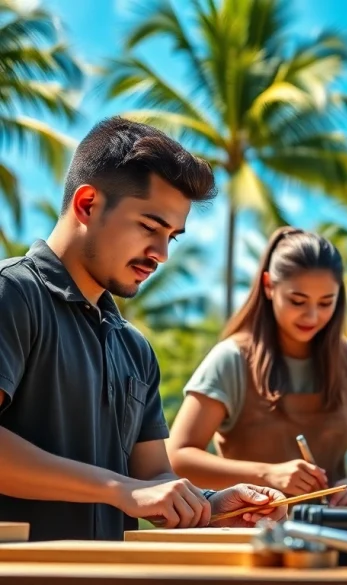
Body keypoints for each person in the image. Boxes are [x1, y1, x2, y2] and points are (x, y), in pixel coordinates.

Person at [0, 117, 287, 542]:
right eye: (150, 227)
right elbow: (132, 490)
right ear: (87, 205)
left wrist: (208, 505)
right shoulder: (12, 294)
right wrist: (123, 491)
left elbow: (151, 478)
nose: (161, 255)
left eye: (172, 236)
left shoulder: (134, 348)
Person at [167, 227, 347, 507]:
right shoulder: (232, 359)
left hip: (334, 533)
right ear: (269, 286)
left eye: (326, 302)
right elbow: (179, 456)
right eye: (297, 301)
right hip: (251, 530)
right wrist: (267, 475)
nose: (312, 315)